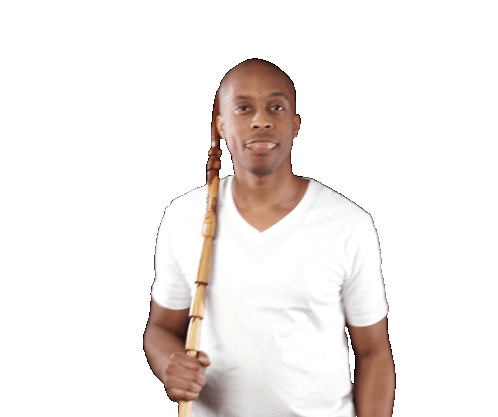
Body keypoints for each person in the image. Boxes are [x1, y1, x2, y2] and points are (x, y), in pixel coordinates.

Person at [144, 59, 395, 417]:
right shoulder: (184, 216)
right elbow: (160, 328)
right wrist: (169, 363)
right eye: (243, 108)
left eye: (276, 107)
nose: (261, 120)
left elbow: (373, 352)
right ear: (222, 126)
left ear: (295, 125)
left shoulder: (349, 223)